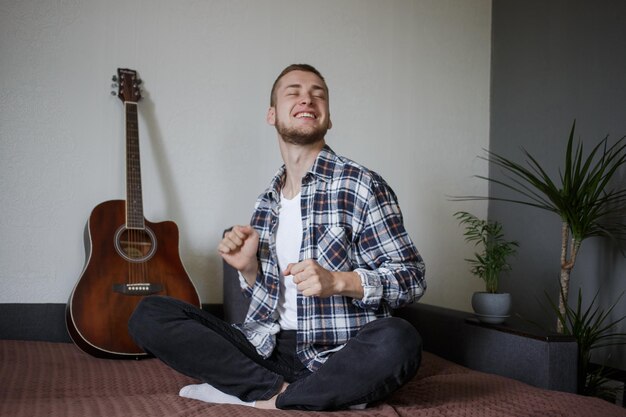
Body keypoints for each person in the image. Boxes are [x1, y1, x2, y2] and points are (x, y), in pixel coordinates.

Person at [128, 63, 426, 411]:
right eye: (294, 92)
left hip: (339, 353)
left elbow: (411, 276)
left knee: (400, 339)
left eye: (318, 94)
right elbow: (267, 301)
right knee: (148, 313)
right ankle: (295, 394)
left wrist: (339, 281)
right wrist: (249, 269)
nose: (307, 99)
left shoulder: (361, 185)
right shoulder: (265, 202)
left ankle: (264, 398)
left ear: (328, 118)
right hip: (264, 351)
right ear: (272, 114)